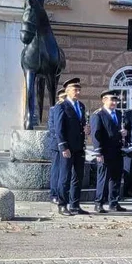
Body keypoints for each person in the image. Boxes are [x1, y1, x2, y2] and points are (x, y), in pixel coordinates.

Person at [49, 77, 88, 215]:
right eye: (74, 89)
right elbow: (59, 128)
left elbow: (81, 123)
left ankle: (75, 205)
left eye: (79, 89)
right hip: (67, 147)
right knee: (64, 177)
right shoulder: (61, 106)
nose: (77, 92)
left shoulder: (81, 106)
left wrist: (85, 129)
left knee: (78, 176)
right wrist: (63, 147)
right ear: (67, 91)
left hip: (79, 146)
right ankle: (62, 204)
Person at [90, 90, 126, 213]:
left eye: (116, 100)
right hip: (105, 151)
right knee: (103, 178)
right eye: (112, 100)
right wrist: (98, 152)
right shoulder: (98, 114)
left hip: (117, 150)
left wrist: (123, 134)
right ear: (104, 100)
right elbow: (96, 134)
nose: (114, 102)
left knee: (115, 178)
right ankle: (99, 203)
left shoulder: (118, 114)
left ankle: (113, 202)